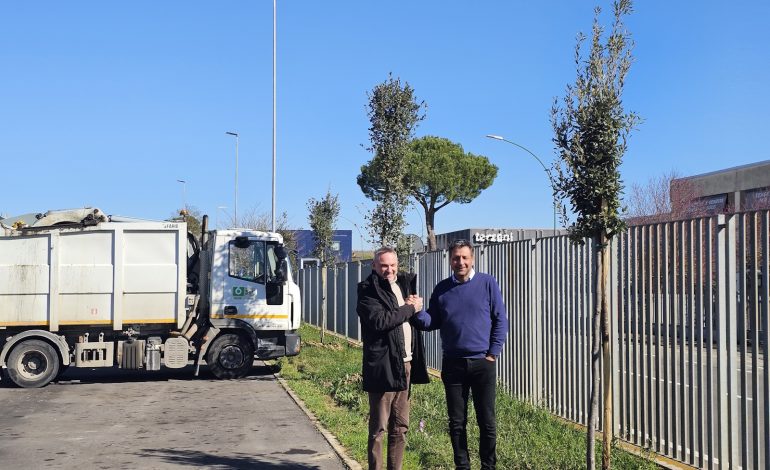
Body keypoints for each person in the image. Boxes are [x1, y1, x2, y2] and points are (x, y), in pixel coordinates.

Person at [412, 239, 509, 470]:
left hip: (482, 363)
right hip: (453, 364)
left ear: (472, 258)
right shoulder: (442, 288)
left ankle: (488, 466)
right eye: (456, 258)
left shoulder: (487, 283)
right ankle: (462, 466)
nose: (461, 262)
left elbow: (500, 320)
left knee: (487, 421)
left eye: (465, 257)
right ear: (450, 260)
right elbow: (432, 321)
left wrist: (492, 354)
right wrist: (417, 312)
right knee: (457, 422)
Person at [356, 247, 430, 470]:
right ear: (374, 266)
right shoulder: (368, 290)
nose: (389, 270)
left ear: (398, 264)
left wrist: (418, 311)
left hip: (405, 363)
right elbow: (381, 321)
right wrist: (410, 308)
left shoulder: (404, 284)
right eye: (383, 265)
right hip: (382, 365)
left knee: (401, 426)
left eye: (392, 265)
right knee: (379, 428)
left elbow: (410, 317)